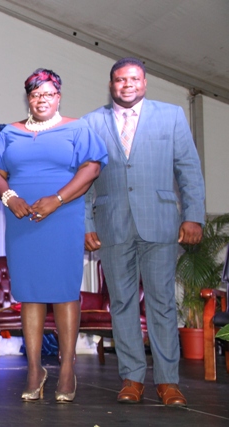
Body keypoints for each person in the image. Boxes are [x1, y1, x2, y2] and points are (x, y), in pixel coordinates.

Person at [83, 57, 205, 407]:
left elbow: (189, 170)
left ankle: (168, 382)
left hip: (161, 223)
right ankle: (132, 378)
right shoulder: (92, 122)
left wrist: (193, 215)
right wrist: (87, 223)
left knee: (163, 303)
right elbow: (85, 179)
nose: (127, 85)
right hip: (112, 225)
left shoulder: (172, 116)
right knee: (121, 304)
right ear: (111, 85)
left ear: (145, 83)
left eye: (133, 79)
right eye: (120, 80)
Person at [0, 68, 107, 403]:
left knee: (63, 292)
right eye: (35, 94)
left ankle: (67, 369)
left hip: (63, 217)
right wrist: (9, 197)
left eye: (47, 94)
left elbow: (92, 167)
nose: (41, 99)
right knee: (29, 294)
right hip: (22, 220)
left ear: (58, 96)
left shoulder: (77, 127)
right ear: (28, 98)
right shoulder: (9, 133)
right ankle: (34, 370)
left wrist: (57, 199)